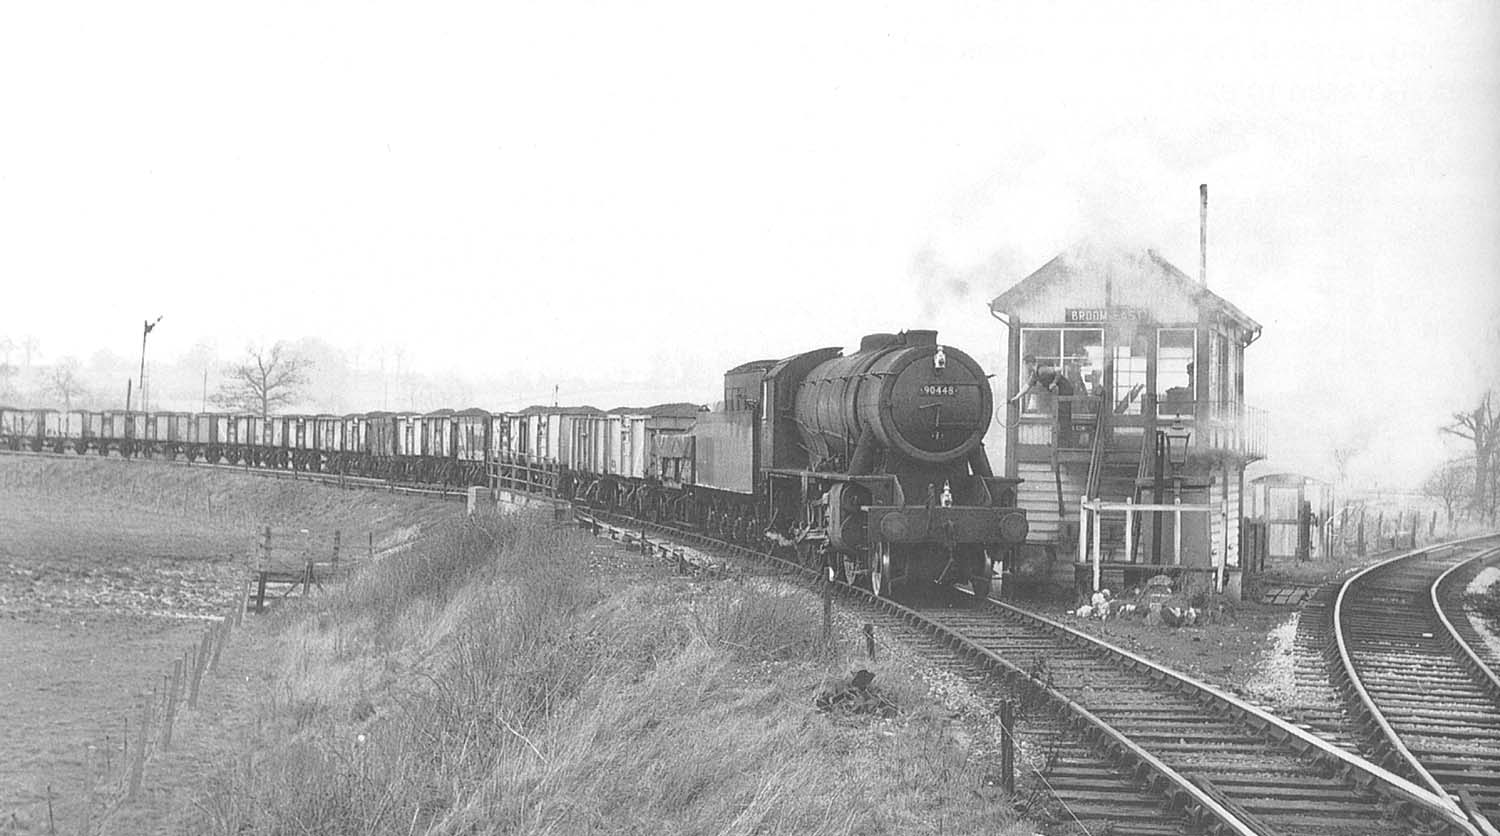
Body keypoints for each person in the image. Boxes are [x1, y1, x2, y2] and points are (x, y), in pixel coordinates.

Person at [1012, 355, 1076, 445]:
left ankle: (1067, 443)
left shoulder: (1042, 370)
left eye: (1025, 365)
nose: (1025, 367)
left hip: (1065, 391)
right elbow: (1026, 387)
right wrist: (1016, 397)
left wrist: (1053, 383)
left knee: (1064, 418)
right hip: (1059, 393)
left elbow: (1059, 369)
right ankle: (1061, 442)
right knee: (1060, 417)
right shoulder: (1035, 374)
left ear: (1030, 364)